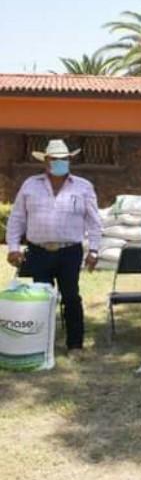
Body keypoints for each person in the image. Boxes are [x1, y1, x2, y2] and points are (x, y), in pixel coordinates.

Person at [5, 139, 102, 358]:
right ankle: (40, 343)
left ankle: (75, 345)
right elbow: (17, 218)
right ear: (46, 161)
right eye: (55, 159)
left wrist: (94, 250)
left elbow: (94, 221)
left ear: (69, 161)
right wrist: (13, 247)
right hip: (38, 251)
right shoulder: (30, 185)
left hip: (70, 251)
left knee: (71, 297)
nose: (60, 162)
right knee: (40, 299)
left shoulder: (83, 186)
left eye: (64, 159)